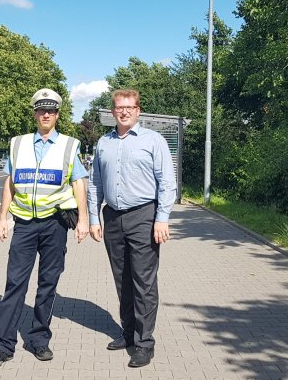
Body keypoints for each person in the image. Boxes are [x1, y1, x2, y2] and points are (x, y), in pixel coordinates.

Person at [0, 88, 90, 369]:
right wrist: (1, 215)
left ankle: (39, 340)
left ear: (57, 115)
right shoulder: (17, 144)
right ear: (34, 113)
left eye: (51, 111)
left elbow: (79, 182)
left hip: (55, 224)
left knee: (47, 285)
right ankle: (2, 346)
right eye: (42, 110)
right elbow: (10, 182)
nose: (46, 114)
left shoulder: (69, 144)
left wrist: (83, 219)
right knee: (15, 284)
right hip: (25, 225)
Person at [87, 88, 177, 368]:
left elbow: (167, 182)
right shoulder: (104, 143)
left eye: (129, 107)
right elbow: (95, 183)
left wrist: (161, 218)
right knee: (122, 278)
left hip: (144, 217)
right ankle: (127, 333)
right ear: (112, 112)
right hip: (112, 217)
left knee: (144, 282)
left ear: (138, 110)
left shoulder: (153, 141)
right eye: (119, 107)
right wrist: (93, 217)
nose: (124, 111)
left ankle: (144, 342)